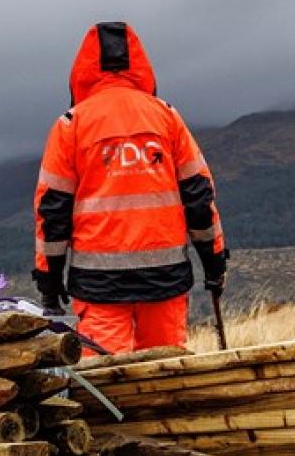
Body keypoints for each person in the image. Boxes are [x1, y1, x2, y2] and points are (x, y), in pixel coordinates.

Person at [32, 21, 229, 355]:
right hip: (165, 279)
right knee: (168, 378)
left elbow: (52, 212)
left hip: (99, 285)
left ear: (83, 69)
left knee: (109, 387)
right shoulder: (166, 117)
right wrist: (214, 264)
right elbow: (198, 196)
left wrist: (49, 283)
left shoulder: (71, 124)